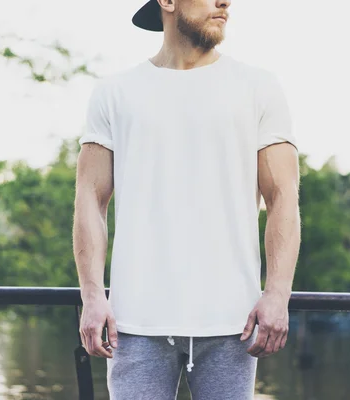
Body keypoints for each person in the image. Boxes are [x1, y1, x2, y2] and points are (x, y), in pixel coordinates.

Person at [72, 0, 301, 398]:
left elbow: (282, 196)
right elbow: (90, 199)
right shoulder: (114, 93)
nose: (225, 2)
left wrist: (278, 293)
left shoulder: (259, 87)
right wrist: (92, 295)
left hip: (234, 324)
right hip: (134, 325)